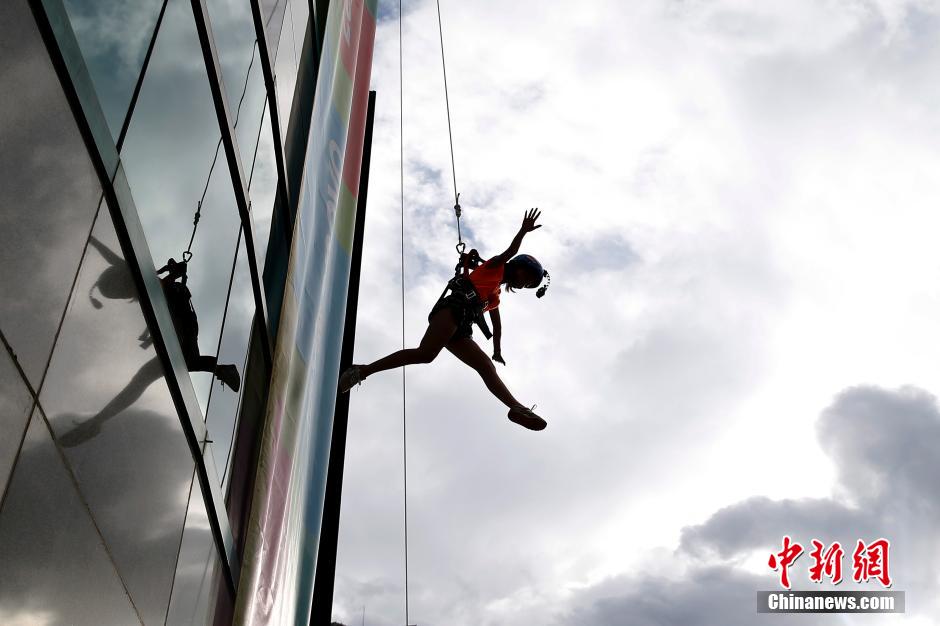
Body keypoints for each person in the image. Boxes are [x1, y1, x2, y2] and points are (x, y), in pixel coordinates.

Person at [338, 208, 549, 431]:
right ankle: (362, 371)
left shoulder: (495, 295)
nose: (524, 285)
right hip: (452, 310)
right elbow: (509, 252)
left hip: (462, 326)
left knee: (486, 366)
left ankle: (517, 407)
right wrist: (523, 231)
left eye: (528, 285)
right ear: (518, 267)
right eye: (526, 279)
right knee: (425, 354)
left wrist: (496, 350)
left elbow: (497, 324)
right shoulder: (494, 267)